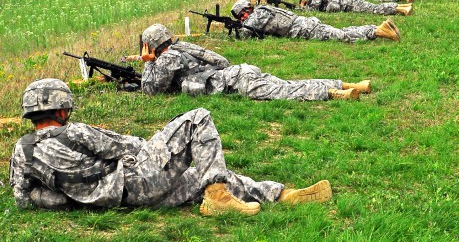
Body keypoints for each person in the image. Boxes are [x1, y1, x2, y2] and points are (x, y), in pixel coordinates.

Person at [10, 78, 332, 214]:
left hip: (128, 202)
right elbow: (125, 148)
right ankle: (223, 196)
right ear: (63, 108)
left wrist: (75, 199)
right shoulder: (76, 132)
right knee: (196, 119)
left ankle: (280, 194)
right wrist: (155, 148)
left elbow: (24, 199)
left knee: (198, 177)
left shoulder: (21, 153)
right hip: (136, 181)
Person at [140, 23, 371, 100]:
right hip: (240, 71)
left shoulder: (167, 58)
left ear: (151, 45)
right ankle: (348, 84)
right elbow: (221, 59)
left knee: (286, 93)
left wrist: (148, 62)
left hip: (236, 82)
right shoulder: (184, 46)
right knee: (288, 84)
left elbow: (151, 90)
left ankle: (333, 93)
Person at [230, 0, 400, 42]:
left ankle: (378, 31)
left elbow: (245, 34)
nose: (243, 18)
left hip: (303, 29)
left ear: (247, 10)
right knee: (341, 32)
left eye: (242, 15)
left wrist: (234, 28)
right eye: (240, 18)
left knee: (341, 37)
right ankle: (376, 28)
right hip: (305, 25)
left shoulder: (257, 14)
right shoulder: (261, 9)